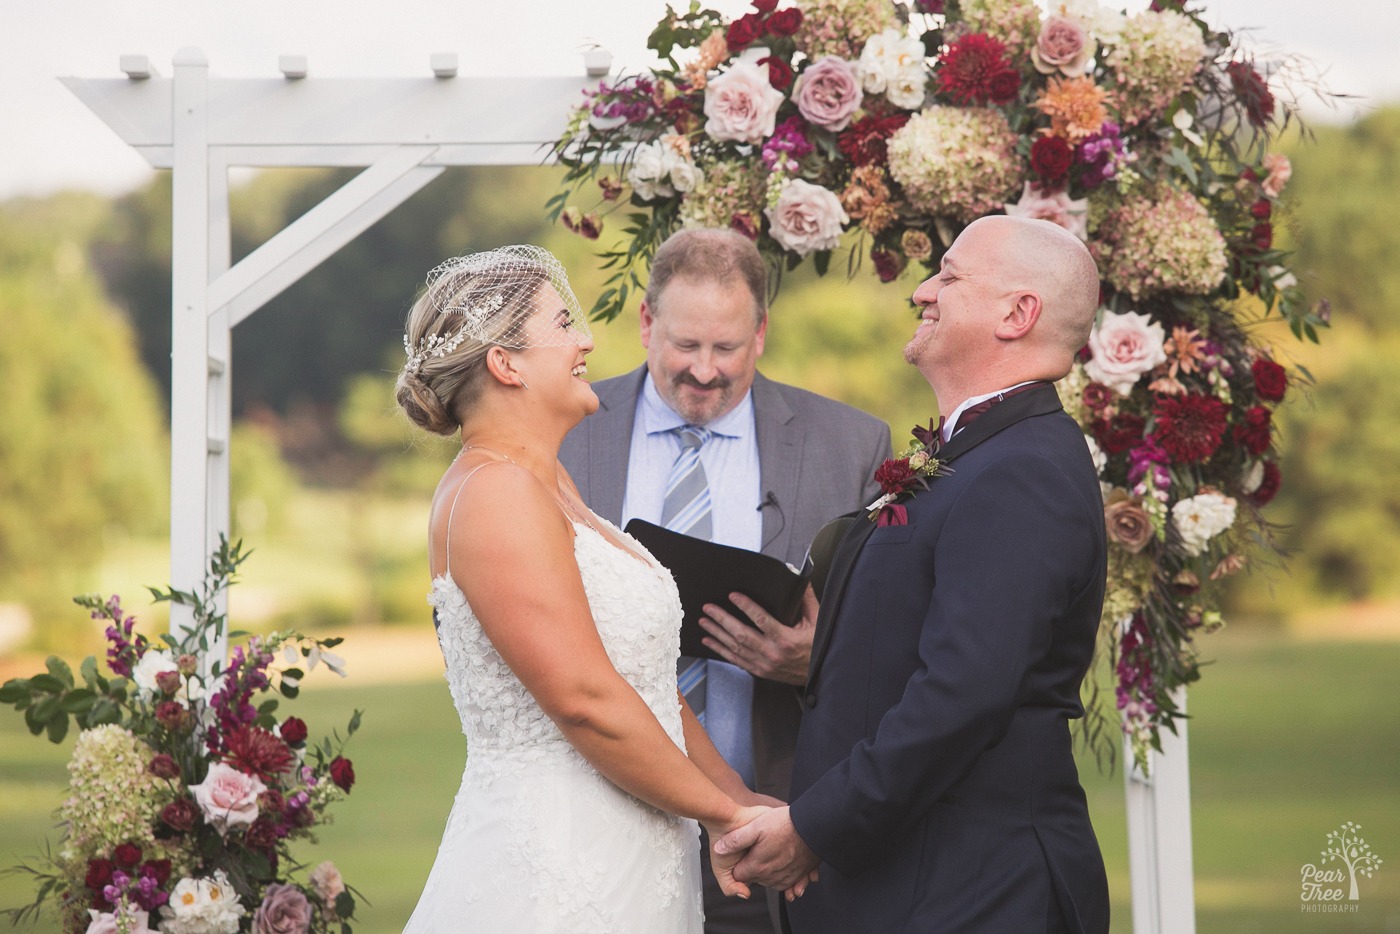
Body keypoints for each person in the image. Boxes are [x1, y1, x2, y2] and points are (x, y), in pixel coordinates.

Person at [714, 215, 1113, 934]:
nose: (923, 291)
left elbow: (962, 696)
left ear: (1017, 314)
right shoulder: (978, 455)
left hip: (972, 893)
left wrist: (815, 827)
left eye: (950, 276)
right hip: (913, 884)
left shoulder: (1023, 471)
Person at [395, 245, 771, 933]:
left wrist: (739, 798)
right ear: (505, 364)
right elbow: (587, 701)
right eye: (563, 323)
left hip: (629, 857)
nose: (588, 340)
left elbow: (643, 683)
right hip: (556, 868)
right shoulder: (494, 492)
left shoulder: (549, 482)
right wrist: (724, 816)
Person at [558, 227, 891, 933]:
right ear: (647, 322)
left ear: (762, 333)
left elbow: (897, 646)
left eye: (727, 348)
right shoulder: (563, 433)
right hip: (596, 825)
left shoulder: (852, 446)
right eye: (685, 345)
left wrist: (815, 661)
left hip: (778, 842)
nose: (704, 371)